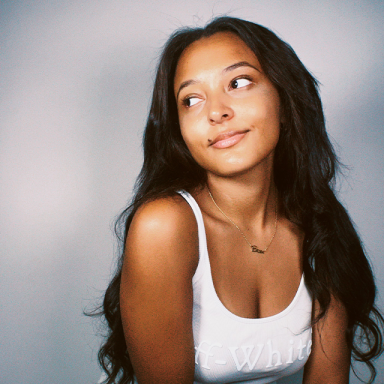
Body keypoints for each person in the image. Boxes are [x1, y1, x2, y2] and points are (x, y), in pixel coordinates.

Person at [95, 16, 384, 384]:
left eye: (239, 82)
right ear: (179, 130)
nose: (216, 112)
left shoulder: (320, 225)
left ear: (284, 97)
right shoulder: (164, 226)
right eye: (192, 99)